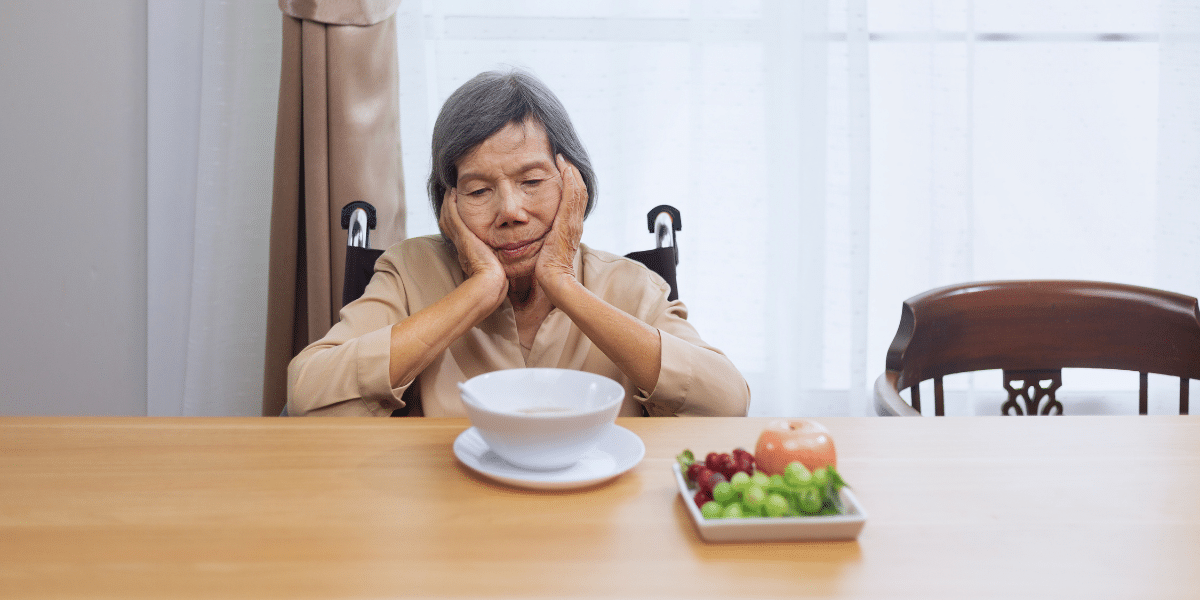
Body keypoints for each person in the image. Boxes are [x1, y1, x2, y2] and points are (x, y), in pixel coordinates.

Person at [287, 69, 750, 417]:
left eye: (531, 180)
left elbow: (727, 403)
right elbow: (307, 395)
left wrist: (563, 284)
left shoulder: (630, 285)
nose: (510, 211)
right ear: (448, 202)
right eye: (478, 190)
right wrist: (478, 291)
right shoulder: (409, 272)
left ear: (574, 184)